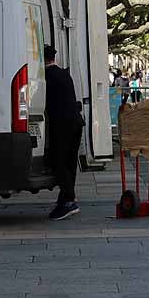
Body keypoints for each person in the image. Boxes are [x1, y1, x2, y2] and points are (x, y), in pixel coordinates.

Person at [44, 45, 84, 221]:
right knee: (70, 161)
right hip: (75, 122)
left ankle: (69, 199)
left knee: (57, 161)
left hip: (62, 125)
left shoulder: (46, 77)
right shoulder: (64, 74)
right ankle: (68, 197)